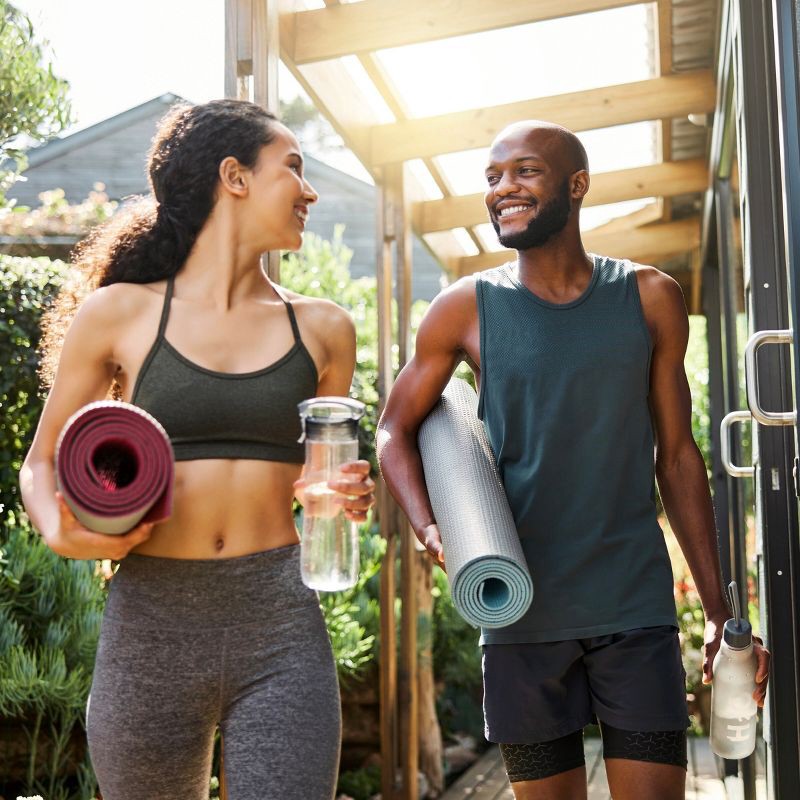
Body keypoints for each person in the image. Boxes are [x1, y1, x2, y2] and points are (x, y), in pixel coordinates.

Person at [376, 120, 770, 800]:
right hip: (519, 614)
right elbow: (393, 429)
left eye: (524, 171)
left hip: (634, 607)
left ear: (576, 184)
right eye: (493, 178)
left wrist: (715, 610)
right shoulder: (463, 309)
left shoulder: (649, 297)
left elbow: (677, 458)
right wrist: (427, 524)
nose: (503, 189)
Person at [19, 99, 375, 800]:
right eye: (293, 169)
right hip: (152, 622)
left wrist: (340, 497)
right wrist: (61, 530)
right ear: (234, 177)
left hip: (280, 625)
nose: (309, 191)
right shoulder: (120, 313)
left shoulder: (324, 328)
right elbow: (41, 460)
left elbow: (327, 481)